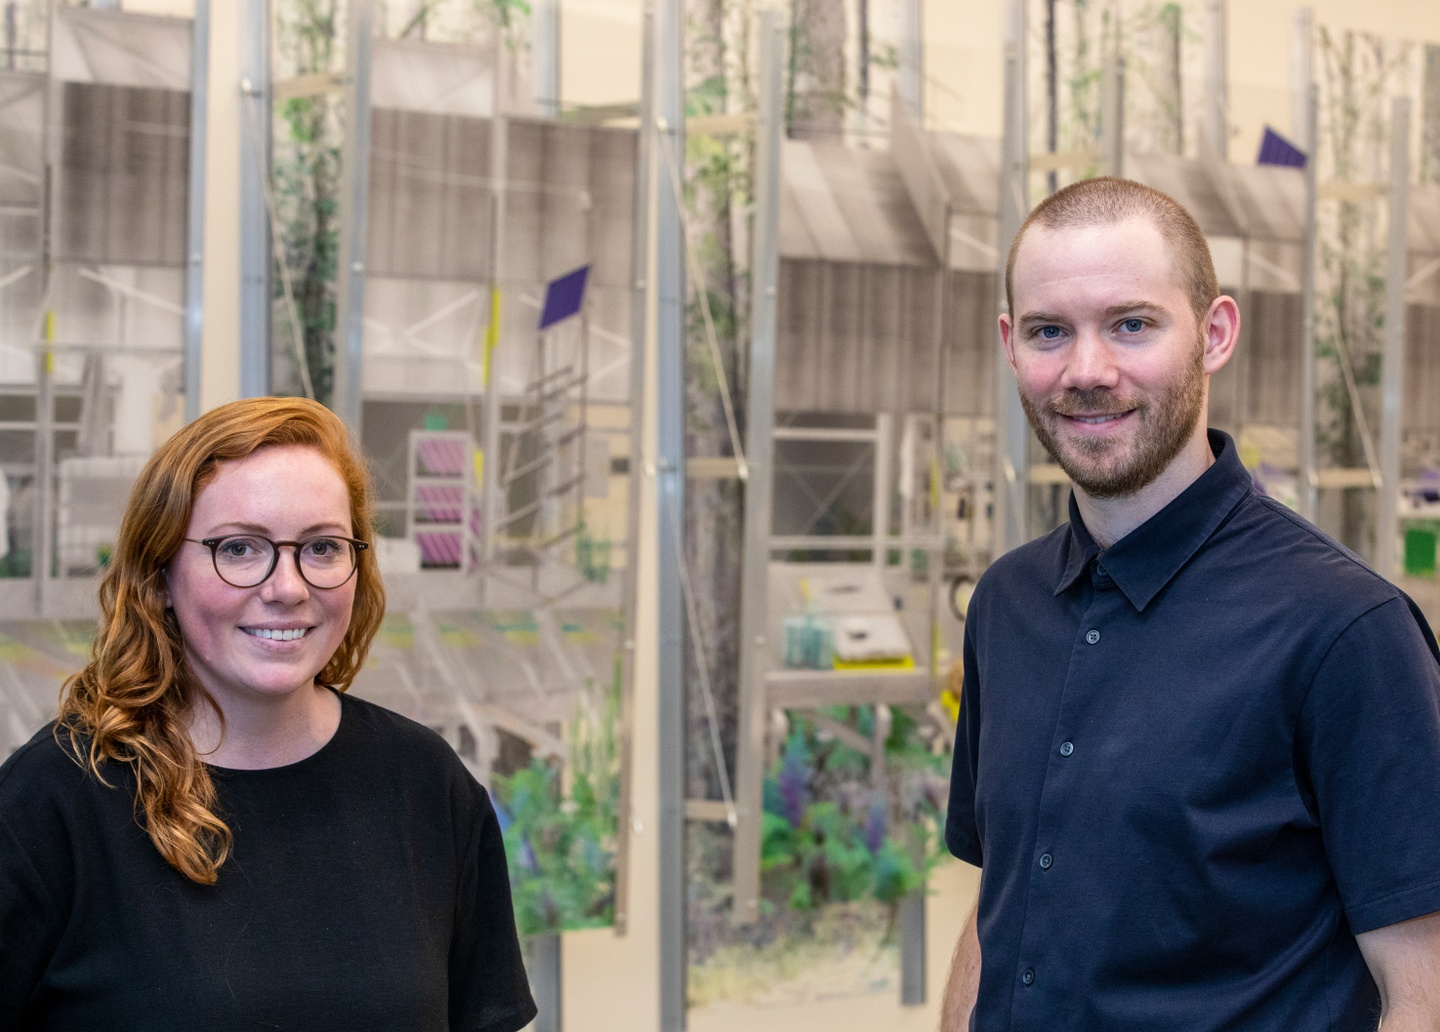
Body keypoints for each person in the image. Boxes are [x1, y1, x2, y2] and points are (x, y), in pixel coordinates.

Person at [942, 177, 1440, 1030]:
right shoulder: (1005, 605)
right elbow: (1003, 898)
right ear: (1009, 344)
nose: (1086, 371)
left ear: (1214, 335)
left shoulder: (1343, 631)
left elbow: (1422, 989)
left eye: (1132, 324)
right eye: (1049, 332)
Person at [0, 397, 538, 1031]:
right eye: (240, 549)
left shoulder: (426, 784)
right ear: (160, 575)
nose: (287, 587)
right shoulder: (54, 800)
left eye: (322, 547)